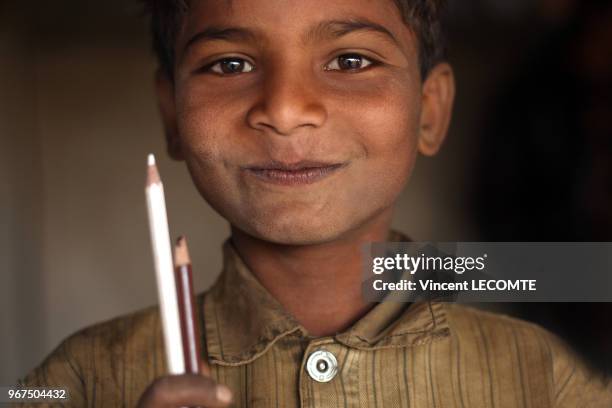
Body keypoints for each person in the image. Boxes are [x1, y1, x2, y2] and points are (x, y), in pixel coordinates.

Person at [18, 0, 611, 406]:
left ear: (429, 111)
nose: (284, 107)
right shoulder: (75, 377)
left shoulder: (547, 375)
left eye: (351, 61)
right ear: (172, 115)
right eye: (230, 64)